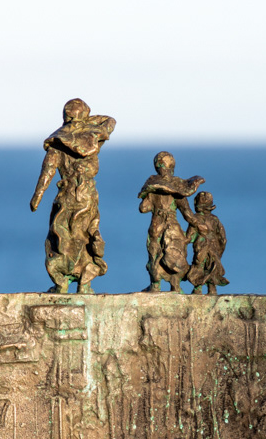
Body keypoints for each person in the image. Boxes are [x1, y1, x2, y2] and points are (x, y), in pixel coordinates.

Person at [29, 98, 116, 294]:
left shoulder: (58, 141)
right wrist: (85, 122)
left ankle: (62, 282)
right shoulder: (92, 138)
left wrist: (38, 196)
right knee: (85, 235)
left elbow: (47, 172)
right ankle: (84, 283)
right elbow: (110, 121)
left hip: (67, 197)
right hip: (87, 196)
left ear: (64, 116)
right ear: (84, 116)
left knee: (60, 238)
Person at [137, 151, 204, 293]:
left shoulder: (153, 185)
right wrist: (200, 225)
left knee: (155, 254)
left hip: (156, 225)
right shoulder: (177, 191)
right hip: (172, 227)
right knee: (175, 254)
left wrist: (147, 195)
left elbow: (143, 208)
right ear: (172, 167)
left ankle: (156, 285)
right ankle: (175, 286)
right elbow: (188, 214)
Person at [184, 191, 228, 294]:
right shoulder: (213, 219)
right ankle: (206, 288)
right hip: (209, 246)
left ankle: (201, 288)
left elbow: (190, 236)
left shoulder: (198, 219)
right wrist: (220, 249)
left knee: (203, 266)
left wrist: (184, 240)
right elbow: (223, 238)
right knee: (208, 266)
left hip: (204, 246)